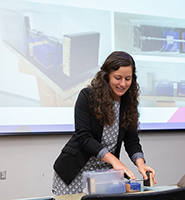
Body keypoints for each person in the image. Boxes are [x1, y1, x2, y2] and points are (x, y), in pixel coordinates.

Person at [52, 51, 156, 195]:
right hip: (74, 173)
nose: (123, 84)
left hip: (104, 175)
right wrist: (114, 160)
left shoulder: (128, 103)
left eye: (128, 78)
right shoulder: (87, 96)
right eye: (118, 78)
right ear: (106, 76)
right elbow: (84, 137)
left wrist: (141, 163)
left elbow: (131, 140)